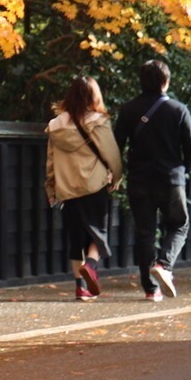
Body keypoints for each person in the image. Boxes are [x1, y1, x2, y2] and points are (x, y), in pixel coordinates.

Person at [114, 58, 191, 300]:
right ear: (166, 81)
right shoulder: (177, 109)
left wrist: (117, 173)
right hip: (171, 178)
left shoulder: (128, 109)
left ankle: (151, 290)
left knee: (145, 233)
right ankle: (164, 264)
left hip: (139, 180)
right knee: (179, 225)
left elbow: (116, 145)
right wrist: (185, 170)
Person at [46, 76, 123, 301]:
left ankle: (80, 288)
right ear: (94, 96)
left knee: (76, 239)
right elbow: (112, 154)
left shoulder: (56, 125)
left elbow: (51, 161)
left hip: (67, 188)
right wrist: (116, 176)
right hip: (94, 185)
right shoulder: (99, 121)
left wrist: (51, 188)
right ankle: (90, 266)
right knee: (98, 233)